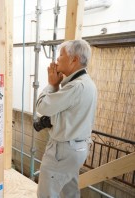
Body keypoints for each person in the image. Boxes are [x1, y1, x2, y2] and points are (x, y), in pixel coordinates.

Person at [36, 39, 97, 198]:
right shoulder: (88, 83)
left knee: (47, 193)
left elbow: (42, 106)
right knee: (69, 192)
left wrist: (52, 85)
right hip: (78, 148)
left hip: (62, 150)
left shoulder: (75, 86)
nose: (57, 59)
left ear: (74, 59)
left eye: (61, 55)